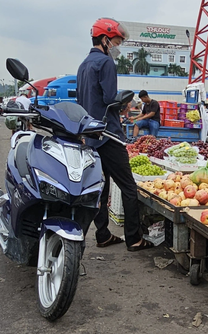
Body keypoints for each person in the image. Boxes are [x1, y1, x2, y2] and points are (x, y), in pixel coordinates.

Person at [76, 17, 153, 251]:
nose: (118, 46)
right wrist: (124, 102)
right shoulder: (106, 63)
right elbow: (110, 99)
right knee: (128, 187)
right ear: (105, 39)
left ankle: (103, 235)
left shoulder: (83, 65)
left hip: (90, 135)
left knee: (101, 187)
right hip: (108, 135)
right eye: (117, 41)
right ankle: (135, 239)